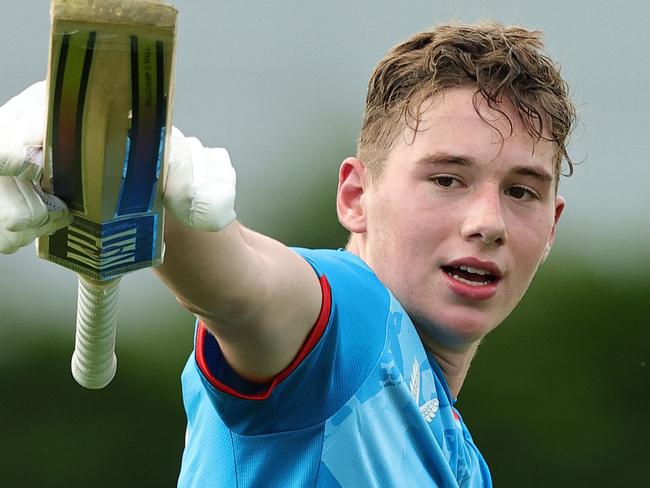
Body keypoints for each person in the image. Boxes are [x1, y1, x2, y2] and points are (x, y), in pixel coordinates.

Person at [0, 21, 576, 487]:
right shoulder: (353, 317)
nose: (488, 223)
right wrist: (126, 157)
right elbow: (243, 284)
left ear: (550, 226)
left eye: (521, 191)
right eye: (447, 180)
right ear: (356, 198)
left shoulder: (467, 467)